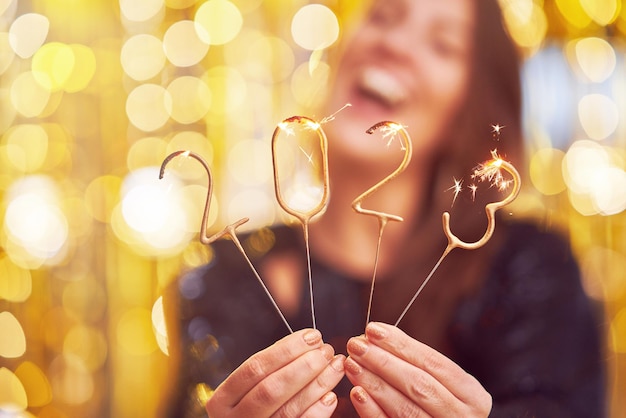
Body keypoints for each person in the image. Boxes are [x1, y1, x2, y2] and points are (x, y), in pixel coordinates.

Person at [162, 0, 606, 416]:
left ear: (469, 106)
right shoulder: (228, 273)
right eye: (383, 17)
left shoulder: (530, 266)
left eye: (442, 44)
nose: (393, 43)